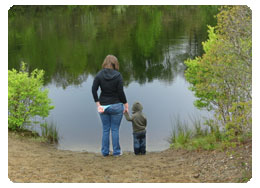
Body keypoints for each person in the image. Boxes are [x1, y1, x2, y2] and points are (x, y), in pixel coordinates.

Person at [92, 55, 129, 157]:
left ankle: (105, 152)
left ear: (105, 63)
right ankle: (116, 152)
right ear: (115, 64)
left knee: (105, 129)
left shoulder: (99, 74)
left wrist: (97, 103)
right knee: (115, 129)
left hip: (103, 106)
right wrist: (126, 104)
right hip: (116, 105)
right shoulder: (118, 75)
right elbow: (120, 92)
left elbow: (93, 90)